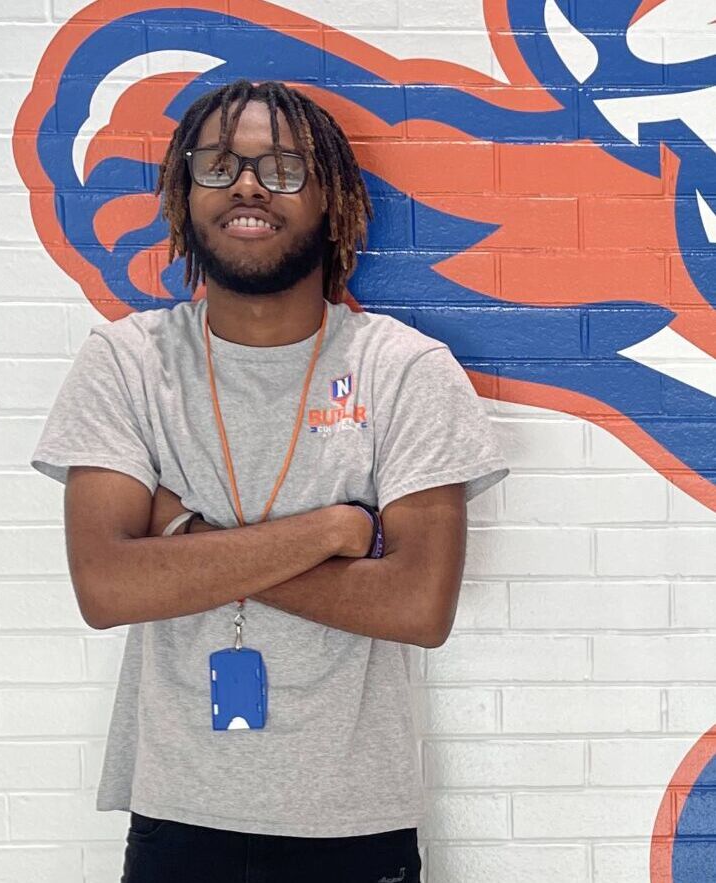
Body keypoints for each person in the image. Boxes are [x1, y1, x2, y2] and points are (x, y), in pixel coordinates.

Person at [30, 77, 510, 883]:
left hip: (355, 822)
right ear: (184, 197)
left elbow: (419, 605)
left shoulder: (405, 371)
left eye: (283, 168)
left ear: (332, 201)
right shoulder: (127, 363)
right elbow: (107, 586)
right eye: (217, 165)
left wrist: (183, 539)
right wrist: (330, 531)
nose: (247, 184)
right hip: (180, 815)